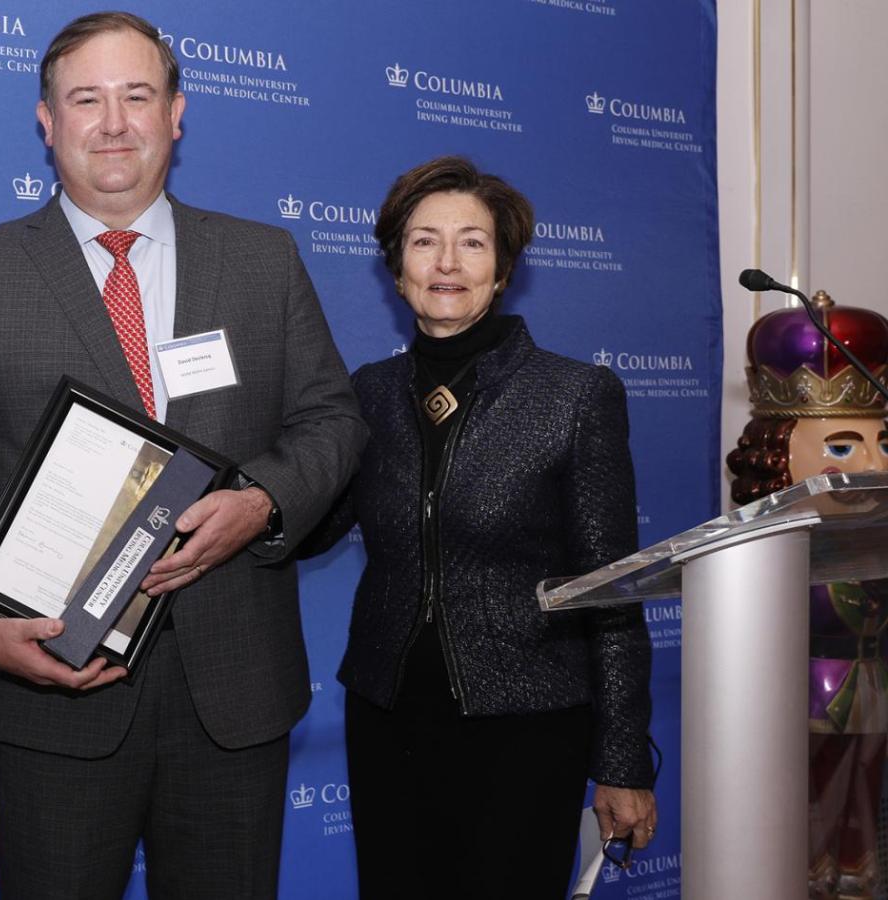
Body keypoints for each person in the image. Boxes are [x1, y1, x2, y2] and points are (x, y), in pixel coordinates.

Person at [0, 11, 365, 899]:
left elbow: (332, 421)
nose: (114, 123)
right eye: (86, 99)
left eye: (137, 96)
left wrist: (261, 501)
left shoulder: (263, 259)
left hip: (233, 688)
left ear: (176, 114)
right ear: (48, 121)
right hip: (51, 689)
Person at [303, 156, 657, 898]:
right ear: (396, 267)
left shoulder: (574, 396)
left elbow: (613, 591)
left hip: (528, 724)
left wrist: (623, 761)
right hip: (387, 714)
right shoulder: (368, 393)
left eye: (472, 242)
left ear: (503, 270)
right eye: (424, 241)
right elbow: (314, 527)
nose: (447, 263)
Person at [727, 290, 888, 899]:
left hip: (874, 688)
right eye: (843, 447)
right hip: (802, 692)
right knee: (802, 812)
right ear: (779, 452)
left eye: (884, 443)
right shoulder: (765, 549)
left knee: (863, 811)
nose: (874, 465)